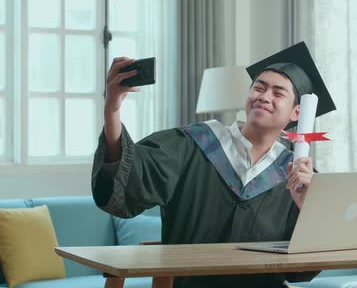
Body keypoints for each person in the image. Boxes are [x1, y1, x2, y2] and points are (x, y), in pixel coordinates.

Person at [91, 42, 336, 288]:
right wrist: (112, 109)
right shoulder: (193, 144)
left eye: (278, 93)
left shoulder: (298, 175)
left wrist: (308, 208)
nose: (264, 96)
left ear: (297, 113)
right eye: (258, 88)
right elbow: (129, 173)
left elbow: (301, 270)